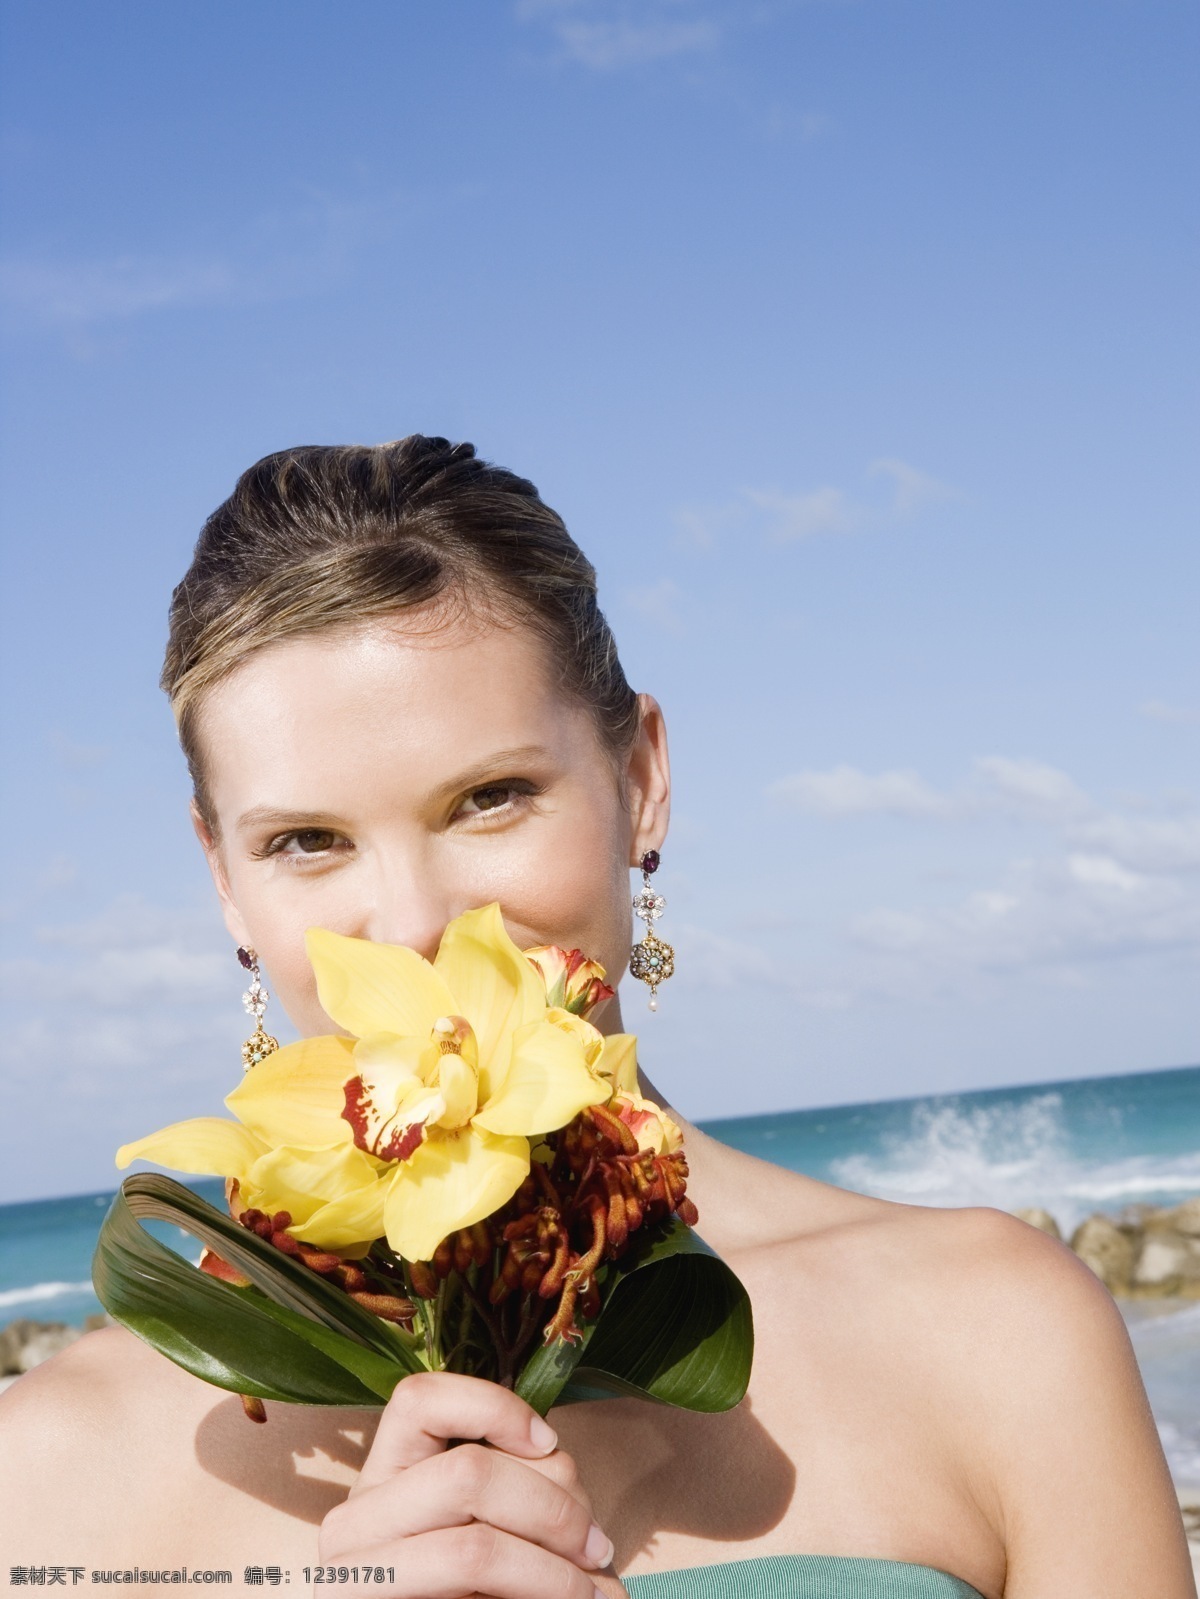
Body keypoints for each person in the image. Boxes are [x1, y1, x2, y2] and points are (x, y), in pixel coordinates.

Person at [0, 437, 1192, 1599]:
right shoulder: (50, 1468)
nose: (415, 926)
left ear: (641, 780)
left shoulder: (997, 1337)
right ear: (225, 879)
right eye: (306, 841)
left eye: (490, 797)